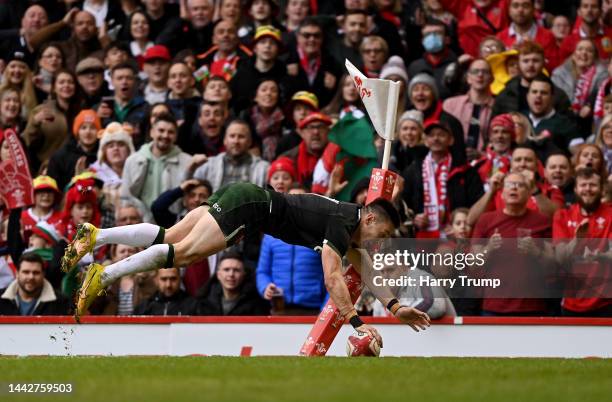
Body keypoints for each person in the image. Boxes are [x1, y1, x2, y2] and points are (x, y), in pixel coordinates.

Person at [64, 181, 431, 342]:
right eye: (380, 235)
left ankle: (97, 236)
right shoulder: (343, 224)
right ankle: (106, 274)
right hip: (251, 208)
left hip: (246, 197)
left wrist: (395, 306)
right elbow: (334, 279)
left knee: (170, 237)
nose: (379, 244)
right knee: (185, 255)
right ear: (369, 219)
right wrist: (358, 324)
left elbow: (365, 269)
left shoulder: (348, 223)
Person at [471, 172, 553, 316]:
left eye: (520, 185)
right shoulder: (486, 220)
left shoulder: (542, 221)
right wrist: (489, 249)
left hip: (532, 306)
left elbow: (553, 265)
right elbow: (472, 264)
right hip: (494, 306)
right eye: (509, 185)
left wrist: (536, 252)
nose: (514, 188)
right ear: (501, 193)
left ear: (529, 194)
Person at [256, 157, 326, 314]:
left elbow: (332, 275)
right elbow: (262, 272)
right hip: (279, 309)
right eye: (292, 201)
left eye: (302, 201)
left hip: (314, 311)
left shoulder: (321, 235)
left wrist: (325, 311)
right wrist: (265, 287)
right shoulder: (270, 236)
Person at [402, 121, 484, 238]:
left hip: (457, 236)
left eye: (441, 134)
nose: (436, 138)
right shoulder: (413, 170)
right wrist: (414, 217)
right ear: (425, 140)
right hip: (421, 235)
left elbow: (477, 201)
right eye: (431, 135)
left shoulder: (465, 170)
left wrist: (461, 223)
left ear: (451, 140)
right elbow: (404, 202)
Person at [552, 167, 612, 317]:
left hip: (606, 302)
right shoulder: (562, 216)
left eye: (592, 185)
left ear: (601, 188)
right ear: (576, 189)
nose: (588, 189)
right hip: (571, 302)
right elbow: (560, 258)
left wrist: (599, 256)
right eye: (583, 185)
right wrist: (577, 240)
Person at [120, 113, 197, 219]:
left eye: (171, 132)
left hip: (172, 224)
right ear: (152, 132)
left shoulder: (187, 161)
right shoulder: (132, 160)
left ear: (176, 136)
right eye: (161, 130)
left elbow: (189, 198)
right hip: (140, 223)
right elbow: (126, 197)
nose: (165, 135)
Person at [493, 41, 571, 117]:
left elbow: (567, 125)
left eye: (535, 61)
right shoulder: (506, 94)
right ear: (519, 63)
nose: (530, 65)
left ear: (543, 63)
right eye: (525, 61)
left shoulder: (558, 96)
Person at [192, 119, 269, 191]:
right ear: (225, 140)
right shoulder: (208, 165)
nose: (236, 141)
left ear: (249, 142)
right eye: (232, 136)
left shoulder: (263, 168)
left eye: (241, 136)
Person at [443, 58, 495, 157]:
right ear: (468, 78)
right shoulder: (450, 105)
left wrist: (483, 155)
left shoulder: (498, 107)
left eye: (485, 72)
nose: (480, 75)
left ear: (492, 78)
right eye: (475, 71)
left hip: (486, 162)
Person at [194, 251, 269, 315]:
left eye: (236, 270)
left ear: (244, 274)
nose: (231, 274)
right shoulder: (204, 301)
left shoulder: (257, 303)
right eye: (226, 270)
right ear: (218, 274)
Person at [496, 0, 560, 70]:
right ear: (509, 11)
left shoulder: (548, 36)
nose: (520, 10)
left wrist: (535, 50)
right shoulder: (500, 38)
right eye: (515, 6)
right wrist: (508, 55)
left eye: (525, 5)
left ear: (533, 9)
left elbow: (554, 69)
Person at [47, 109, 102, 191]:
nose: (88, 132)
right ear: (77, 132)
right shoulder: (61, 157)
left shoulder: (104, 155)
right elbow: (53, 188)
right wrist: (79, 180)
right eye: (83, 128)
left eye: (93, 128)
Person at [0, 253, 69, 315]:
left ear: (43, 274)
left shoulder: (62, 303)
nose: (31, 277)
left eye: (36, 273)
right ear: (17, 274)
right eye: (26, 272)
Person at [526, 75, 580, 153]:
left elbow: (579, 154)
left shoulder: (566, 124)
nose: (538, 95)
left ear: (552, 98)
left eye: (543, 93)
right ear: (527, 96)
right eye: (534, 92)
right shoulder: (520, 119)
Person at [408, 18, 458, 100]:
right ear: (422, 41)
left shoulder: (457, 65)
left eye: (437, 33)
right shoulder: (415, 67)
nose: (432, 37)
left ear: (447, 40)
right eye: (427, 34)